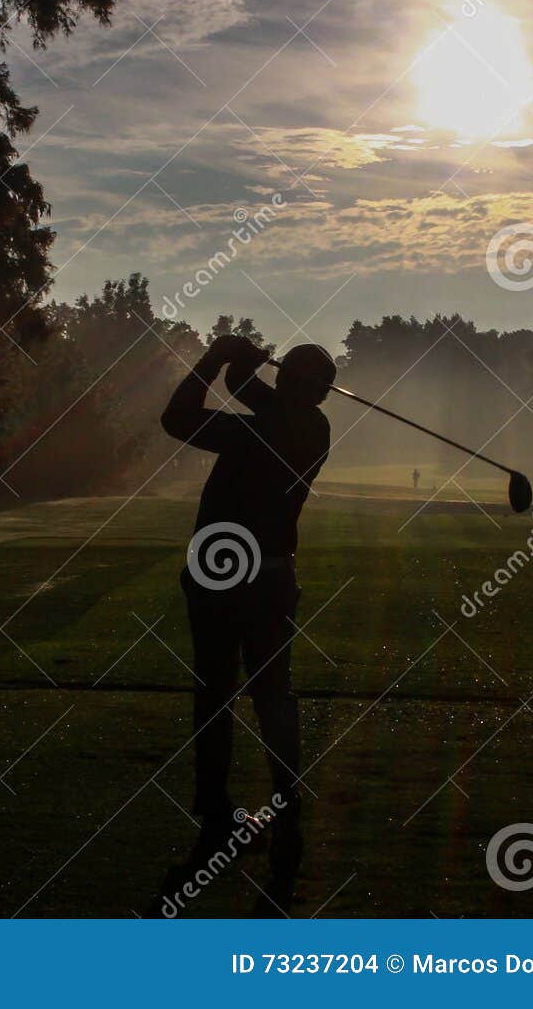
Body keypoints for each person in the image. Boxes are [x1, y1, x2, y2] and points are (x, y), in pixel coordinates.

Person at [158, 335, 336, 916]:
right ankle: (284, 810)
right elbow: (247, 389)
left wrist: (221, 356)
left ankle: (218, 813)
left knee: (216, 693)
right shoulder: (312, 429)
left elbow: (177, 417)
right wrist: (242, 363)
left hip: (220, 577)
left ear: (293, 385)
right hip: (272, 579)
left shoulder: (260, 430)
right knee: (271, 694)